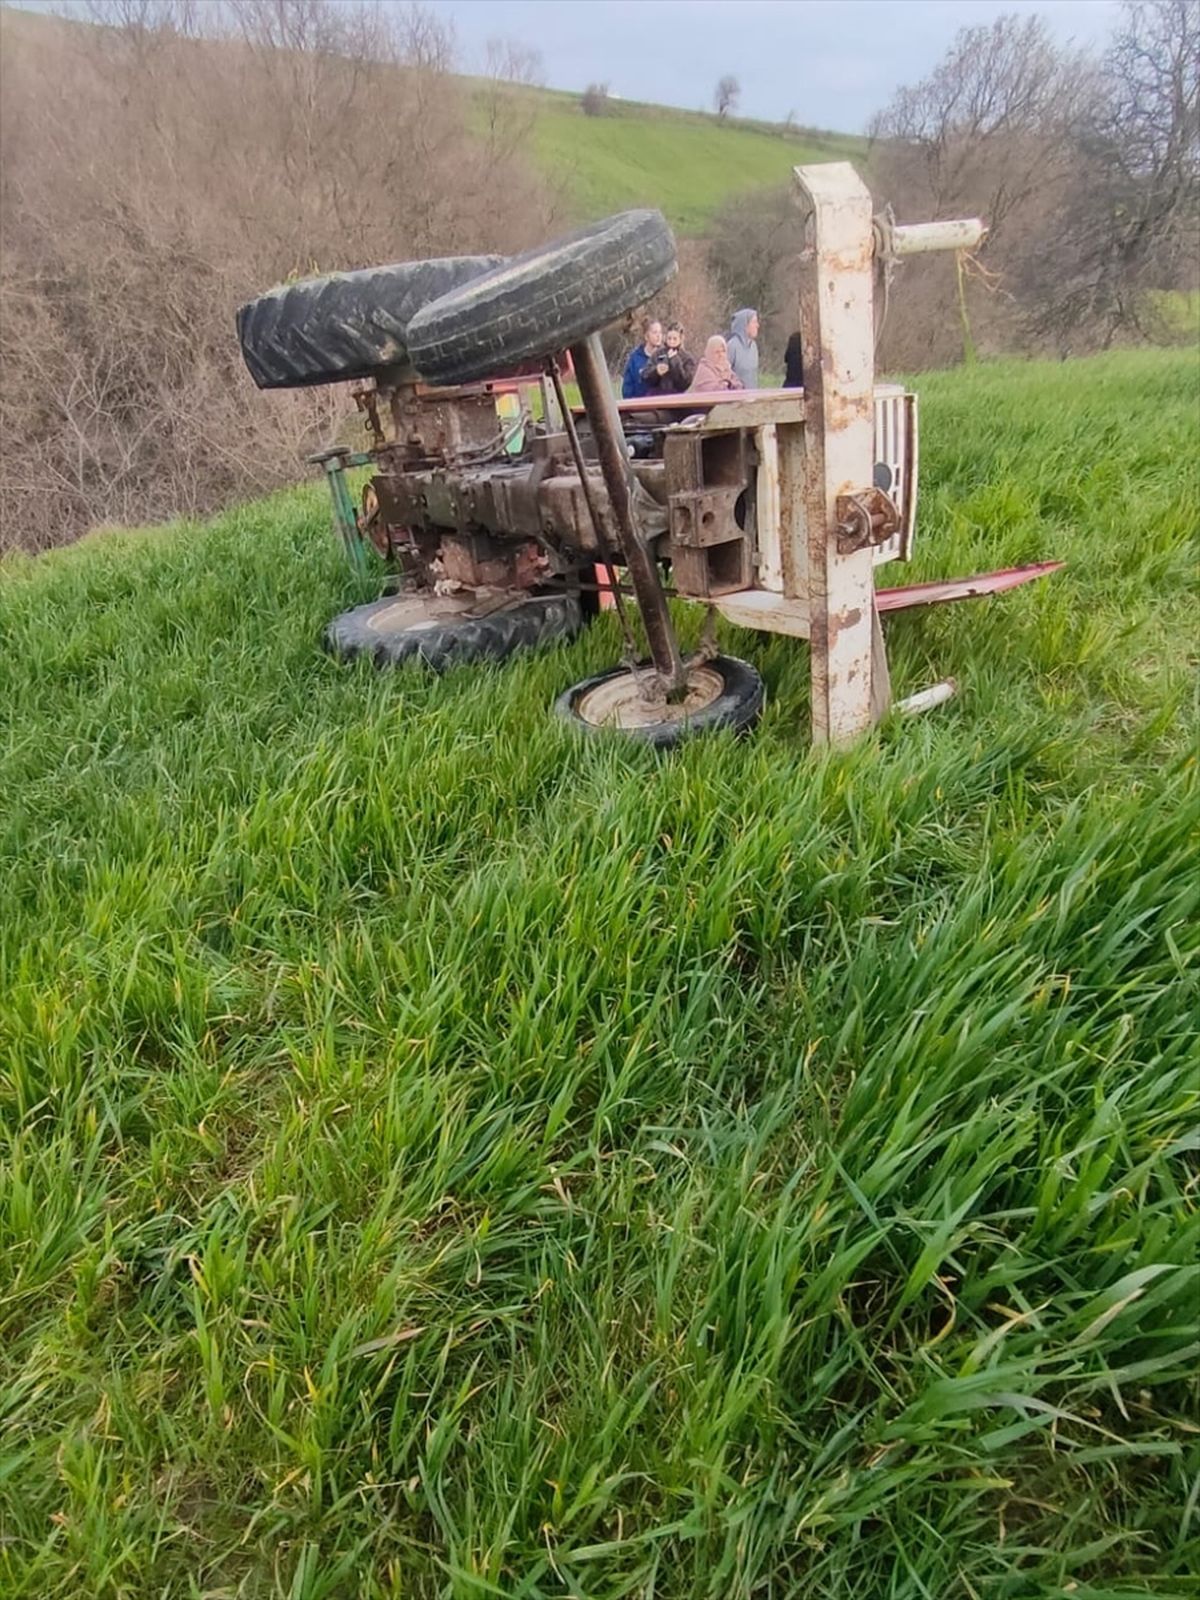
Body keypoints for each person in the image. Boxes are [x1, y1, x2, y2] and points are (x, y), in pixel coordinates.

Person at [643, 322, 696, 394]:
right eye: (669, 338)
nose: (671, 341)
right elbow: (646, 375)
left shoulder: (687, 358)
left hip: (678, 398)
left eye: (675, 339)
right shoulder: (658, 354)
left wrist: (674, 360)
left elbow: (686, 382)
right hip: (658, 397)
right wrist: (656, 371)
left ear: (680, 339)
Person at [621, 318, 663, 399]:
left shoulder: (665, 356)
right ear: (646, 336)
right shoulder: (635, 358)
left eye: (660, 332)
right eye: (655, 332)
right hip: (640, 405)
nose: (658, 336)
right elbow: (627, 387)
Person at [726, 308, 759, 389]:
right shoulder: (732, 346)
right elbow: (725, 374)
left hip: (752, 397)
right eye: (754, 322)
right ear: (745, 325)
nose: (757, 325)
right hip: (736, 398)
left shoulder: (753, 346)